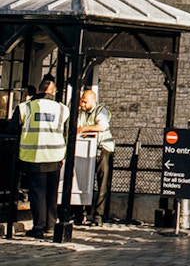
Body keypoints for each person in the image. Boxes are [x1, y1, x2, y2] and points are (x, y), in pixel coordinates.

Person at [12, 79, 69, 239]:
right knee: (52, 193)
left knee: (37, 193)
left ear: (38, 90)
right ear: (54, 91)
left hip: (34, 156)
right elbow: (66, 132)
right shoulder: (62, 109)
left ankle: (38, 227)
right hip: (55, 156)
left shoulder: (25, 107)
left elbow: (12, 128)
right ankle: (51, 224)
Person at [76, 88, 114, 226]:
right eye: (81, 101)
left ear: (93, 100)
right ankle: (79, 213)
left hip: (103, 149)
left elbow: (102, 126)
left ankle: (98, 216)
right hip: (83, 149)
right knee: (81, 181)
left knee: (102, 184)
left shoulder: (101, 111)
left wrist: (83, 129)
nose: (82, 104)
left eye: (85, 102)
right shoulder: (81, 113)